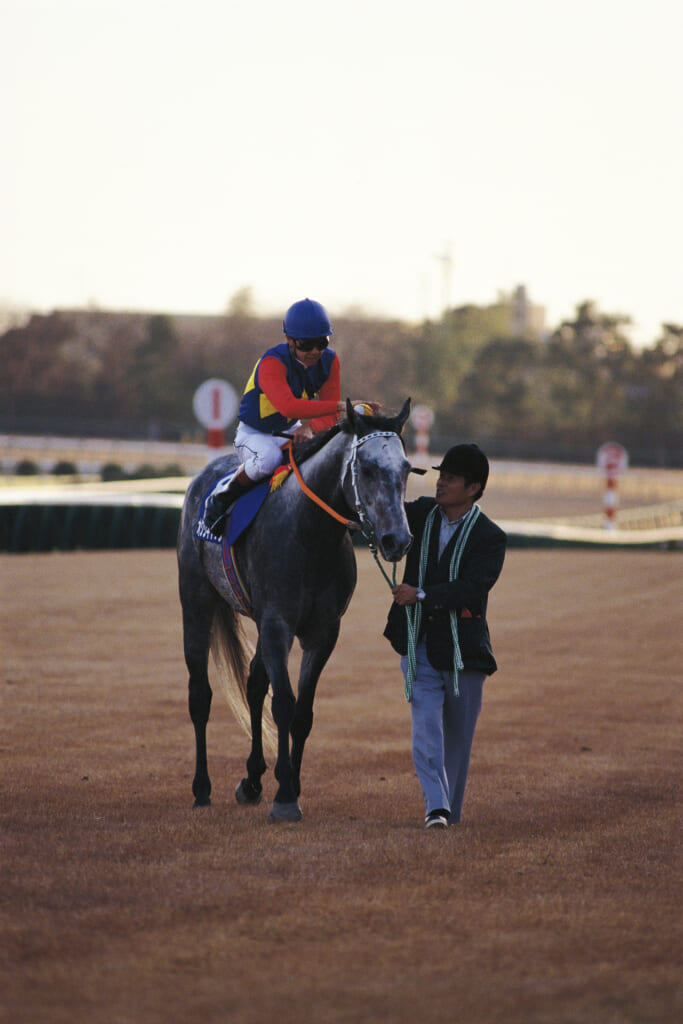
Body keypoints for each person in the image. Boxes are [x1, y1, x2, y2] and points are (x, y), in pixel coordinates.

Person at [383, 443, 506, 829]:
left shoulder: (490, 537)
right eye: (441, 475)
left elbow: (472, 588)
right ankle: (436, 807)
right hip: (417, 642)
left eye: (451, 478)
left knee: (458, 741)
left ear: (473, 488)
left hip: (464, 651)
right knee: (425, 730)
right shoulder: (419, 514)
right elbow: (382, 516)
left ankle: (448, 811)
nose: (441, 483)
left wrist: (420, 594)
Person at [206, 297, 378, 535]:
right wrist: (342, 407)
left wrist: (309, 428)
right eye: (306, 344)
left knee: (327, 458)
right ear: (289, 340)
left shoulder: (330, 361)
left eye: (322, 342)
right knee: (268, 460)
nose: (315, 351)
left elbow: (329, 415)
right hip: (254, 434)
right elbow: (289, 407)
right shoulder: (271, 363)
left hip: (290, 429)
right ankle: (221, 496)